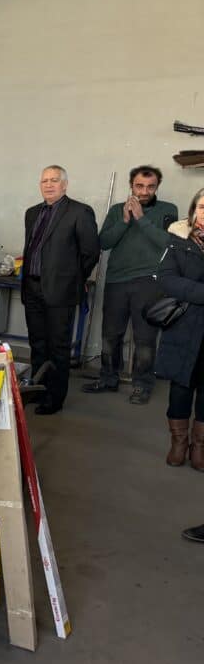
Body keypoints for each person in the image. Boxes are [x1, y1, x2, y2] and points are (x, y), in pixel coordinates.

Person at [83, 166, 177, 404]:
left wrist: (141, 219)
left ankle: (142, 385)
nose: (144, 191)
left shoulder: (168, 210)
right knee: (110, 335)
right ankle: (108, 378)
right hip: (117, 281)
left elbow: (168, 243)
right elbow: (104, 242)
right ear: (131, 186)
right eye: (139, 186)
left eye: (150, 186)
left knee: (145, 338)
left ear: (157, 187)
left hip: (150, 282)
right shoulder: (117, 210)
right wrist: (125, 220)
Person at [21, 166, 100, 415]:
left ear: (64, 185)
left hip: (60, 290)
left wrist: (72, 279)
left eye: (54, 180)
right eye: (44, 180)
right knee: (38, 343)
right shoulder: (32, 213)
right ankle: (38, 389)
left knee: (58, 346)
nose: (48, 184)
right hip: (32, 287)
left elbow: (91, 252)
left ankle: (54, 398)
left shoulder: (79, 212)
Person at [154, 187, 204, 469]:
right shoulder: (178, 239)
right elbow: (167, 279)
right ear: (193, 210)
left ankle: (200, 446)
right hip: (184, 325)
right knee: (181, 386)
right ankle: (179, 443)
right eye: (203, 206)